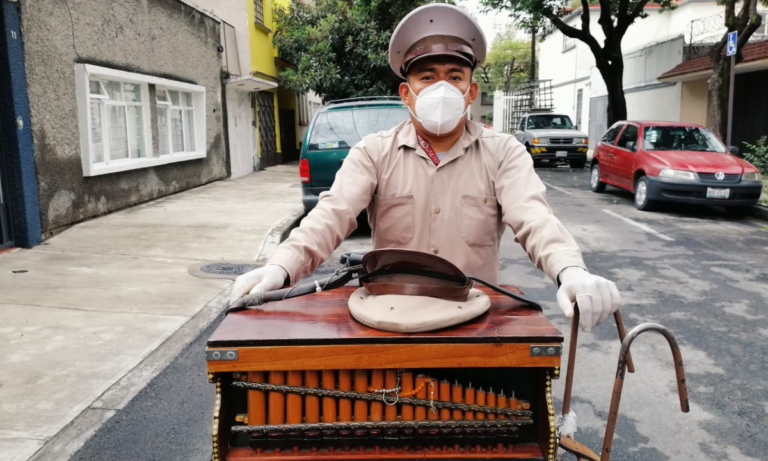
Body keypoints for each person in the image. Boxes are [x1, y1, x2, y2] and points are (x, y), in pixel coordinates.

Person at [231, 3, 620, 332]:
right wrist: (280, 268)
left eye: (454, 77)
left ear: (470, 92)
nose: (442, 88)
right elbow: (331, 215)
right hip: (386, 318)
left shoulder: (503, 153)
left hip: (472, 319)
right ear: (407, 92)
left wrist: (571, 271)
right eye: (428, 77)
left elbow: (535, 218)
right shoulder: (374, 152)